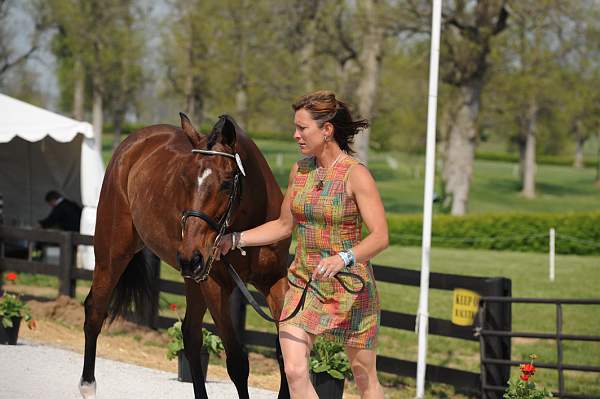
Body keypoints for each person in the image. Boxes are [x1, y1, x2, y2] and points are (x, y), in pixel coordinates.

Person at [220, 90, 388, 398]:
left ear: (326, 130)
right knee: (295, 370)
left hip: (350, 288)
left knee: (365, 380)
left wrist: (344, 258)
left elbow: (380, 236)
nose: (295, 135)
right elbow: (284, 226)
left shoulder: (356, 175)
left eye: (302, 128)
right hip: (304, 284)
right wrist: (235, 239)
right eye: (295, 127)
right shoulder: (300, 171)